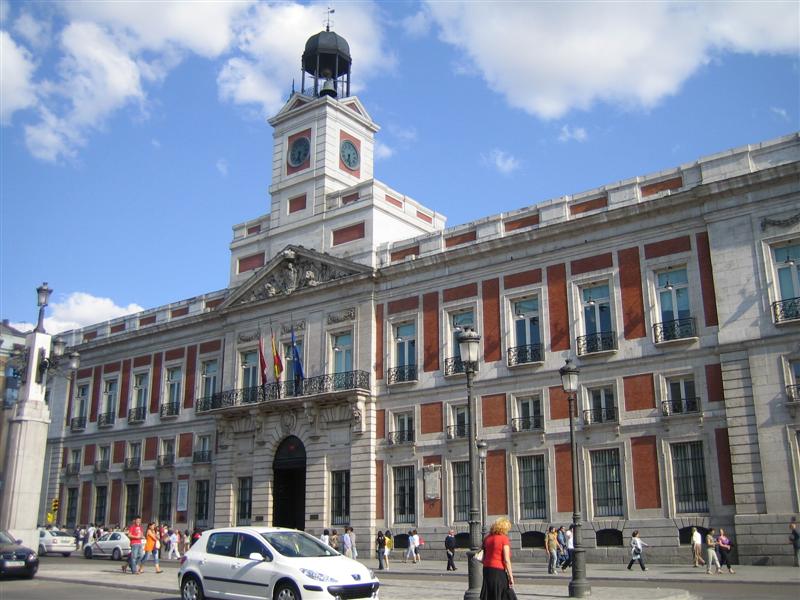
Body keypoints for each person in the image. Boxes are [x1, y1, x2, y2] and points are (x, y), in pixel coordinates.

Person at [479, 517, 514, 600]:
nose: (507, 531)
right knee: (503, 593)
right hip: (498, 570)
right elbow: (506, 560)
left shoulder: (487, 538)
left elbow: (484, 554)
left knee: (490, 593)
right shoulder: (504, 539)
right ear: (504, 528)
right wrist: (511, 576)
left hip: (487, 569)